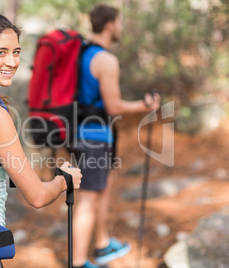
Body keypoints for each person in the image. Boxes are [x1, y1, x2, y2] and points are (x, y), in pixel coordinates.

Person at [0, 13, 82, 268]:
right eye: (1, 52)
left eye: (16, 52)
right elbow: (37, 196)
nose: (11, 61)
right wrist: (65, 180)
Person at [71, 4, 161, 268]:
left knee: (100, 191)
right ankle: (77, 263)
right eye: (119, 23)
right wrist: (144, 105)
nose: (120, 28)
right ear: (110, 24)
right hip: (94, 135)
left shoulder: (83, 53)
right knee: (88, 198)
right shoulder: (105, 60)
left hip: (83, 132)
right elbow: (114, 107)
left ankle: (101, 244)